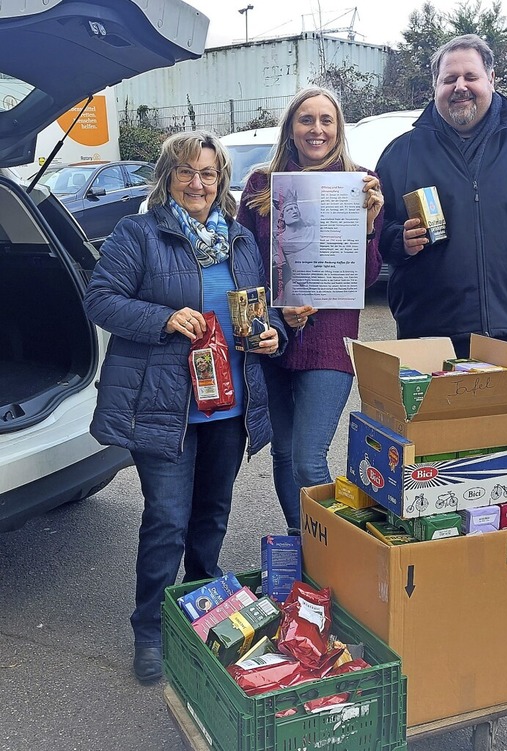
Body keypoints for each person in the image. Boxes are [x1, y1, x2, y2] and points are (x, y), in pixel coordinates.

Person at [83, 130, 287, 684]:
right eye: (186, 173)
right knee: (167, 520)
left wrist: (271, 336)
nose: (198, 184)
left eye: (208, 174)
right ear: (167, 178)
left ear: (221, 181)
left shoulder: (242, 242)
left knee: (212, 515)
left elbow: (264, 315)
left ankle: (202, 609)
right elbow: (100, 299)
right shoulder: (140, 233)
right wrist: (163, 318)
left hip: (229, 406)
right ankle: (149, 630)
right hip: (164, 408)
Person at [376, 34, 507, 402]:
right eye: (449, 79)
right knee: (437, 450)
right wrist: (399, 241)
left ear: (491, 78)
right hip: (432, 332)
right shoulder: (401, 153)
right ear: (435, 86)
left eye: (470, 77)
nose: (461, 87)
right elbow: (377, 233)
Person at [237, 86, 384, 530]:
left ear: (338, 128)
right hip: (274, 340)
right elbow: (245, 263)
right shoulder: (262, 184)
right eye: (306, 119)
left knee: (308, 458)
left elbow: (369, 277)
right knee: (283, 452)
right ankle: (298, 541)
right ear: (291, 128)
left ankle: (330, 546)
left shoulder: (362, 181)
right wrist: (278, 314)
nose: (316, 129)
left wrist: (369, 226)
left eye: (326, 120)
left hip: (329, 341)